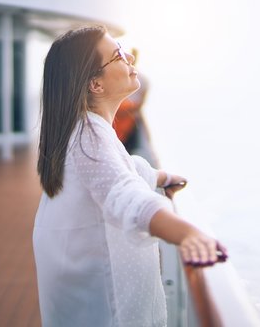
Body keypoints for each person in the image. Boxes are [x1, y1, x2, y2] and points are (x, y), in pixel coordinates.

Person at [33, 25, 227, 327]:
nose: (129, 59)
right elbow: (126, 196)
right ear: (95, 84)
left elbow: (122, 169)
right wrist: (187, 233)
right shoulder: (89, 138)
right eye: (118, 55)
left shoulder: (85, 132)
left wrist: (157, 176)